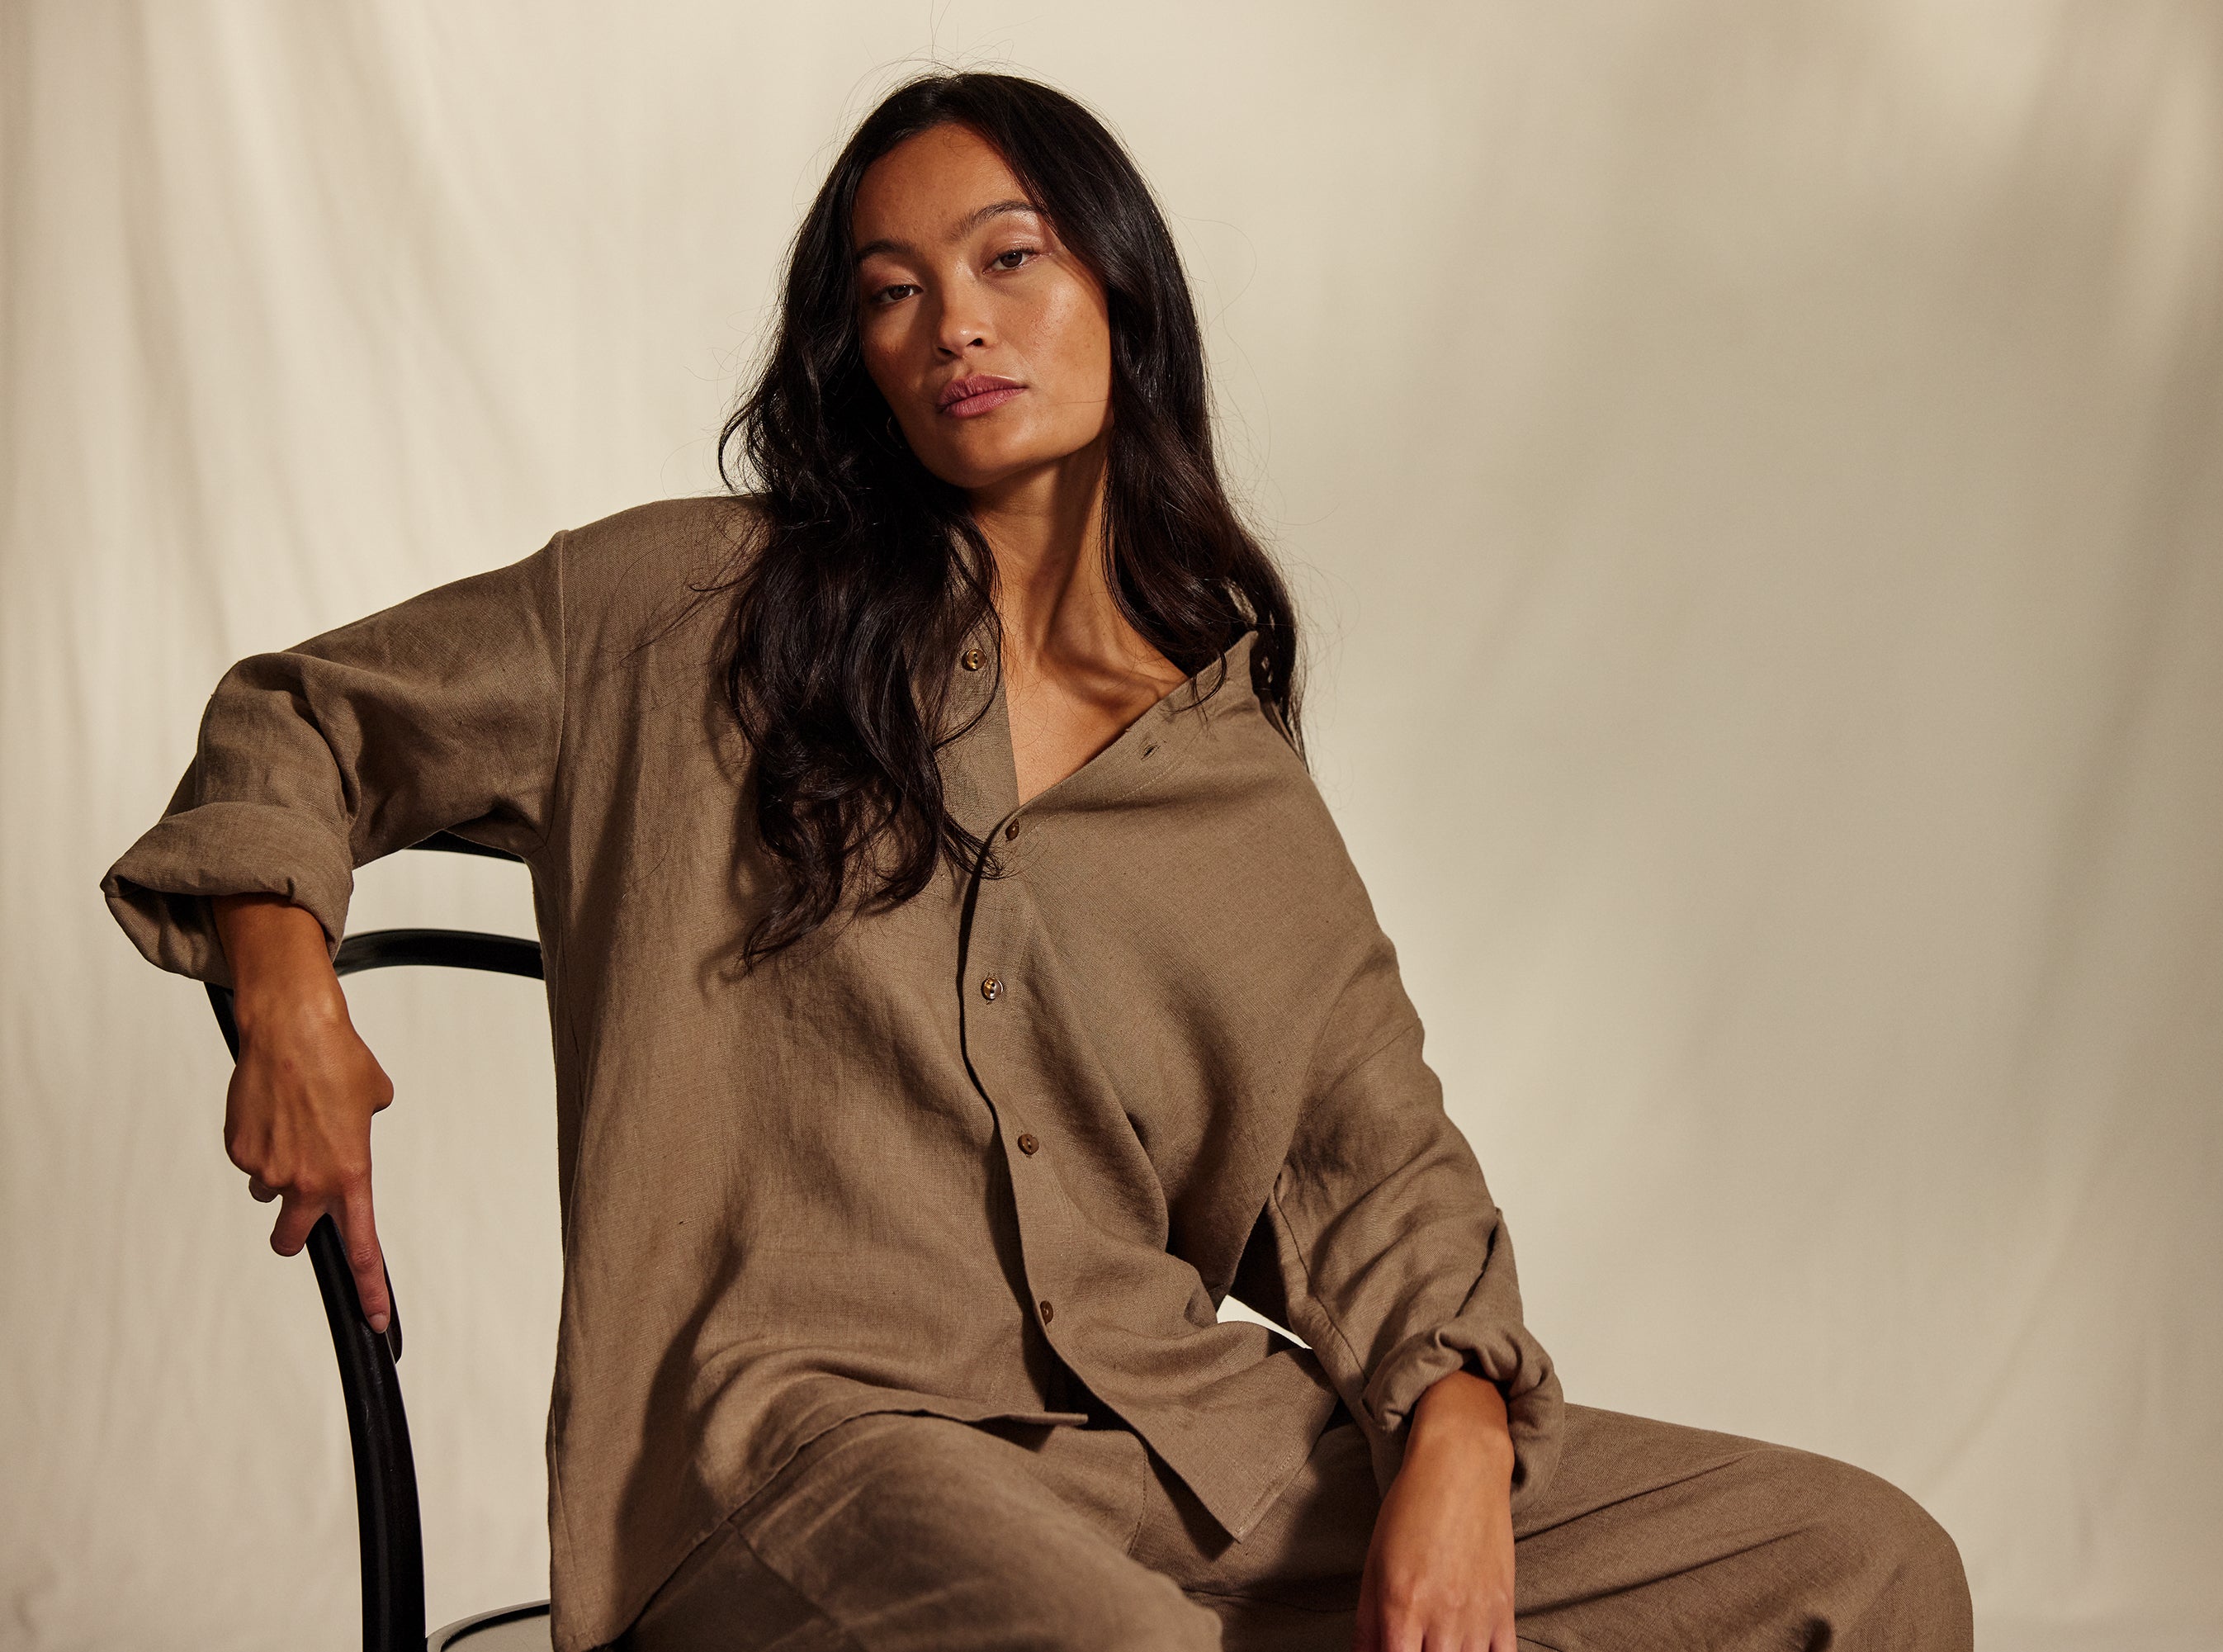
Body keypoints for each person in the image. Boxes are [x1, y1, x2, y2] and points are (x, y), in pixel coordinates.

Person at [101, 71, 1971, 1652]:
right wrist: (287, 984)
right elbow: (301, 718)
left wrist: (1462, 1436)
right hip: (802, 1460)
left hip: (1198, 1459)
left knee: (1863, 1562)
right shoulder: (680, 614)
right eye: (892, 293)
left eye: (1010, 259)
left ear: (1122, 297)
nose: (956, 326)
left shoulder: (1231, 783)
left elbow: (1377, 1170)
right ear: (856, 357)